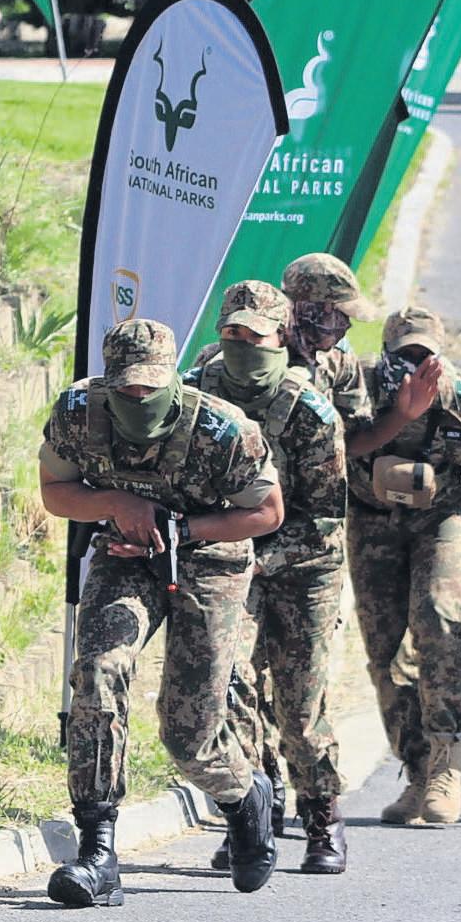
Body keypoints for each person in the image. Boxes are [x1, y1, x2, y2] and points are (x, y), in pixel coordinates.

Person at [38, 319, 285, 907]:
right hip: (126, 553)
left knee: (188, 732)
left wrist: (182, 530)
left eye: (150, 387)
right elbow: (55, 491)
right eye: (126, 388)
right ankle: (98, 850)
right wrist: (116, 502)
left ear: (172, 380)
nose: (138, 397)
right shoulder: (78, 414)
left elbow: (267, 512)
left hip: (211, 559)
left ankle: (243, 795)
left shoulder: (223, 430)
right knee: (97, 672)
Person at [187, 281, 354, 874]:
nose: (242, 344)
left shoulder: (308, 411)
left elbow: (327, 517)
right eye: (232, 332)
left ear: (281, 338)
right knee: (230, 684)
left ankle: (323, 816)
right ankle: (253, 813)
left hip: (304, 565)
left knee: (298, 703)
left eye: (255, 335)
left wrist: (264, 555)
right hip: (229, 556)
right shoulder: (196, 395)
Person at [348, 306, 461, 826]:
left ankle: (448, 761)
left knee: (438, 622)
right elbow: (329, 448)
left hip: (438, 520)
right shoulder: (356, 389)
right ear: (386, 353)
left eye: (424, 354)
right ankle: (418, 768)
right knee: (383, 647)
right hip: (372, 520)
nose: (415, 364)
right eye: (405, 354)